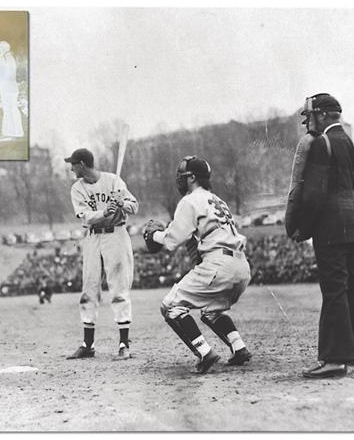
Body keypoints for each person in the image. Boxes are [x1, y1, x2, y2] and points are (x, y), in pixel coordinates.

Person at [292, 93, 354, 378]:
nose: (308, 124)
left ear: (323, 115)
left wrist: (302, 228)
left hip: (330, 228)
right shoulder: (348, 144)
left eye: (310, 117)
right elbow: (352, 188)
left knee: (334, 290)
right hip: (353, 224)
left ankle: (334, 359)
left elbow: (314, 195)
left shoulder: (322, 144)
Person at [143, 156, 252, 374]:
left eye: (181, 176)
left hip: (218, 263)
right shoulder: (217, 200)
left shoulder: (190, 200)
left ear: (192, 177)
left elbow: (173, 240)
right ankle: (239, 347)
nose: (179, 180)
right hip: (241, 265)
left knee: (171, 306)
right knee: (211, 311)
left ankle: (204, 353)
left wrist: (153, 235)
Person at [64, 148, 138, 360]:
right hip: (93, 237)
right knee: (89, 287)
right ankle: (88, 345)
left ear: (83, 164)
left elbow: (135, 206)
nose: (71, 168)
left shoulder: (114, 181)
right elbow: (86, 217)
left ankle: (124, 345)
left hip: (116, 235)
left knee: (119, 288)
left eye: (74, 164)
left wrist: (121, 203)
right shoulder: (77, 188)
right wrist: (105, 211)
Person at [0, 41, 24, 141]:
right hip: (13, 88)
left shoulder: (3, 58)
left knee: (8, 110)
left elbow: (0, 75)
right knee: (13, 110)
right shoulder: (11, 58)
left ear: (3, 48)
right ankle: (17, 132)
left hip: (6, 88)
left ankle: (8, 133)